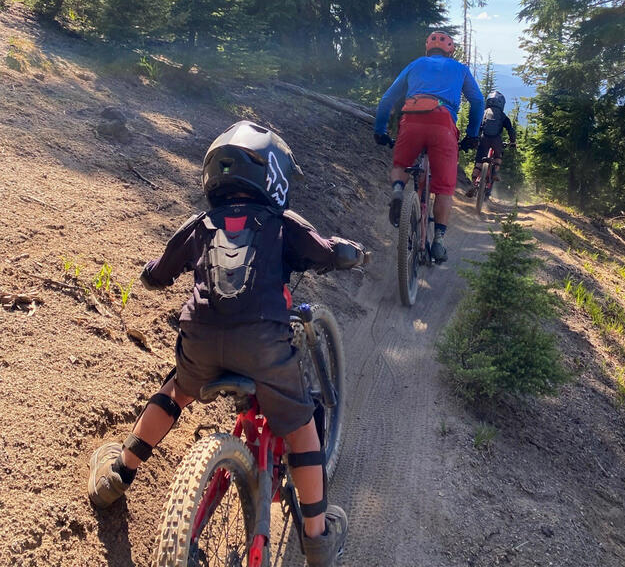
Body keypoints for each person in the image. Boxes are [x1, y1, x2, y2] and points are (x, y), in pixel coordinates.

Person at [87, 120, 367, 567]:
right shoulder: (281, 222)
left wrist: (150, 274)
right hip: (264, 347)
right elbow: (325, 251)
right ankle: (316, 538)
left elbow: (158, 272)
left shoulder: (200, 223)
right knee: (299, 425)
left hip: (199, 345)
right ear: (273, 176)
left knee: (176, 390)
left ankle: (120, 473)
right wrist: (349, 252)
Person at [373, 31, 483, 263]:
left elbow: (387, 99)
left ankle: (397, 191)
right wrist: (472, 135)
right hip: (442, 123)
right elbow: (478, 102)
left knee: (402, 163)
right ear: (450, 50)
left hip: (411, 120)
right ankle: (439, 241)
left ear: (427, 49)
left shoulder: (416, 64)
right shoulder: (460, 69)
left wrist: (380, 130)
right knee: (444, 188)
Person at [471, 90, 516, 199]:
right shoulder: (503, 115)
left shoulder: (484, 112)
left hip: (484, 138)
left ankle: (474, 180)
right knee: (498, 155)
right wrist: (513, 142)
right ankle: (495, 171)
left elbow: (477, 126)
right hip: (496, 140)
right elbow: (510, 130)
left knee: (479, 159)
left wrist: (475, 138)